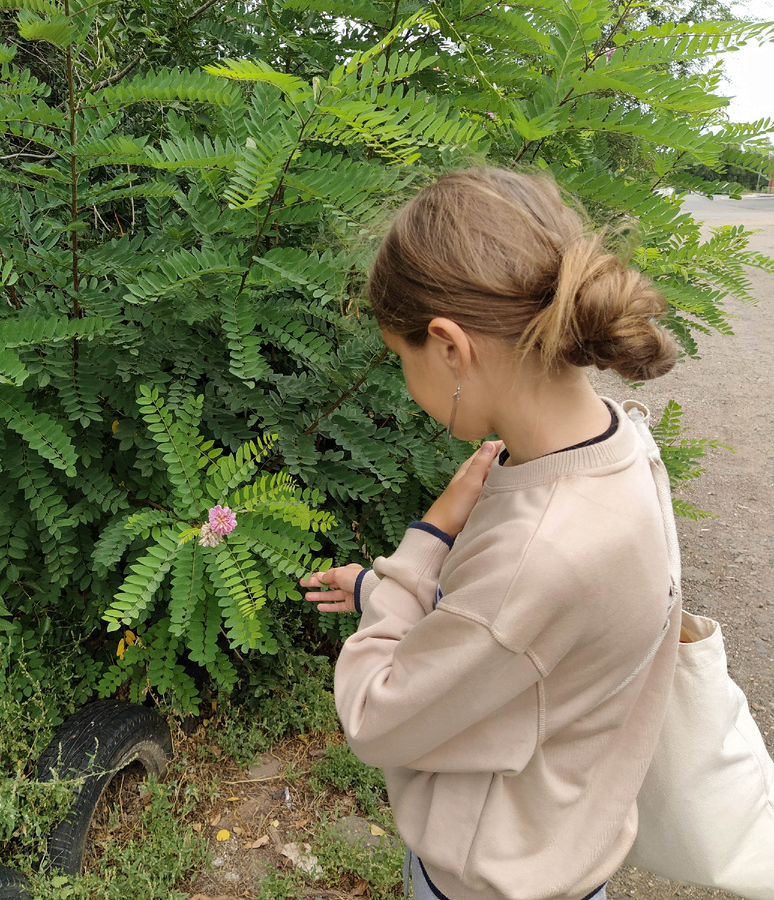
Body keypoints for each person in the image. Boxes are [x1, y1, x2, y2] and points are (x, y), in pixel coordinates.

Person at [300, 168, 683, 900]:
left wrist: (425, 542)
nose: (406, 383)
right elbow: (517, 635)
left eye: (398, 358)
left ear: (448, 346)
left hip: (487, 881)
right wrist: (376, 589)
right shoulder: (622, 447)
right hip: (567, 847)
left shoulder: (540, 553)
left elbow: (376, 717)